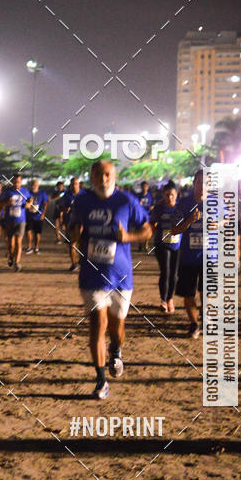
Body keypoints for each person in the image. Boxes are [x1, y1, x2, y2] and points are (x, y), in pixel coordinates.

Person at [70, 160, 152, 399]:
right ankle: (100, 381)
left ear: (114, 176)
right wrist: (75, 234)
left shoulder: (126, 201)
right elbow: (74, 230)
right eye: (97, 175)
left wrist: (129, 236)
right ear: (91, 177)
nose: (102, 179)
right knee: (97, 324)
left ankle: (116, 350)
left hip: (121, 276)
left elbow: (148, 229)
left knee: (117, 329)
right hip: (92, 274)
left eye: (107, 175)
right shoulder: (82, 200)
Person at [173, 169, 204, 338]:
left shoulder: (217, 203)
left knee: (208, 293)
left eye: (206, 182)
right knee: (188, 294)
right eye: (199, 182)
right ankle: (194, 324)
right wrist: (190, 220)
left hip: (210, 257)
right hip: (188, 258)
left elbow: (227, 219)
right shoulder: (184, 204)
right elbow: (174, 230)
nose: (202, 186)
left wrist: (219, 224)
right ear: (194, 183)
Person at [149, 180, 182, 313]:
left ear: (177, 194)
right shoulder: (159, 208)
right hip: (162, 244)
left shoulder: (180, 207)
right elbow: (152, 223)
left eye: (172, 195)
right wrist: (155, 229)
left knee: (174, 274)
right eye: (167, 195)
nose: (169, 197)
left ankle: (170, 299)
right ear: (163, 194)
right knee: (165, 272)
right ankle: (163, 300)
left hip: (178, 245)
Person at [0, 173, 33, 271]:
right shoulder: (7, 192)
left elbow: (30, 198)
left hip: (21, 220)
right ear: (12, 181)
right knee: (11, 244)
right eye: (15, 181)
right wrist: (6, 203)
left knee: (18, 242)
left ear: (21, 182)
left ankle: (17, 263)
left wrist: (29, 203)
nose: (17, 183)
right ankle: (11, 257)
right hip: (9, 220)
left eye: (18, 182)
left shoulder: (25, 191)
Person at [59, 177, 82, 271]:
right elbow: (60, 206)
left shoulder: (84, 195)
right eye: (72, 184)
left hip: (83, 223)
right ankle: (73, 263)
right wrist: (64, 209)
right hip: (71, 222)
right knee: (72, 243)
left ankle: (81, 261)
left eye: (76, 184)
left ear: (79, 184)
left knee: (82, 244)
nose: (74, 186)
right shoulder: (67, 196)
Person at [25, 178, 48, 254]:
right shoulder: (27, 193)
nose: (34, 186)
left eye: (35, 184)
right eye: (32, 184)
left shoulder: (42, 193)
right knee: (28, 231)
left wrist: (43, 214)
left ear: (38, 185)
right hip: (29, 216)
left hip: (38, 216)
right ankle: (29, 247)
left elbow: (45, 204)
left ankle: (36, 247)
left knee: (37, 233)